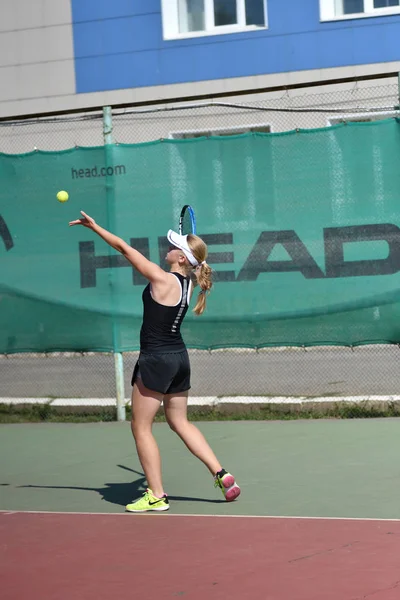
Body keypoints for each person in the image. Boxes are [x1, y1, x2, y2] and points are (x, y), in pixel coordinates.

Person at [69, 210, 241, 512]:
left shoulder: (162, 279)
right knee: (179, 422)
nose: (168, 248)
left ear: (183, 259)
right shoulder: (188, 285)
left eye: (174, 247)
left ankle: (157, 495)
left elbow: (123, 248)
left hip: (157, 360)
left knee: (141, 427)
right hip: (178, 358)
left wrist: (95, 227)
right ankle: (221, 473)